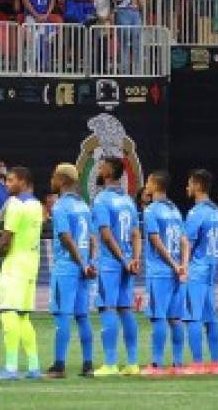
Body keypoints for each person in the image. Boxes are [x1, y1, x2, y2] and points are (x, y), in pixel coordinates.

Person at [0, 166, 44, 380]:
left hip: (14, 264)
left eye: (11, 180)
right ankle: (33, 366)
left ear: (23, 181)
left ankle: (11, 368)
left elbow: (7, 237)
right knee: (23, 317)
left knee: (8, 313)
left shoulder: (15, 203)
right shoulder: (37, 204)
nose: (7, 184)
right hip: (32, 265)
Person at [91, 157, 141, 376]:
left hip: (112, 263)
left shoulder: (102, 199)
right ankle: (132, 363)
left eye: (101, 166)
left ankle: (110, 363)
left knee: (107, 308)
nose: (99, 169)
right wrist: (135, 259)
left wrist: (122, 259)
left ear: (109, 171)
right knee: (125, 309)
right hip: (128, 262)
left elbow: (105, 234)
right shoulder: (129, 201)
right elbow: (136, 233)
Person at [46, 163, 95, 379]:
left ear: (63, 180)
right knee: (82, 316)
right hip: (83, 268)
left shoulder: (60, 206)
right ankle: (88, 364)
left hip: (67, 267)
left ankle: (59, 365)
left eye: (54, 176)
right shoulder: (84, 206)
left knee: (63, 316)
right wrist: (88, 262)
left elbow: (66, 237)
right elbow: (92, 238)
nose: (51, 180)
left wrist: (80, 262)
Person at [141, 171, 189, 375]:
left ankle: (156, 363)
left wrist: (172, 264)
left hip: (160, 271)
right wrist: (182, 265)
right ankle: (178, 362)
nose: (146, 186)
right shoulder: (175, 210)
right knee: (175, 318)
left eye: (148, 182)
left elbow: (155, 240)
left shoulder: (151, 210)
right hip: (176, 272)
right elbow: (185, 241)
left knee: (158, 317)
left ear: (153, 184)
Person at [183, 169, 218, 373]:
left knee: (193, 316)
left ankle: (197, 363)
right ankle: (215, 362)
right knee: (211, 317)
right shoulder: (215, 211)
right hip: (211, 268)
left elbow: (188, 243)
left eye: (190, 184)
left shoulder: (196, 212)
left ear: (198, 186)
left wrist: (182, 267)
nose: (187, 188)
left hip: (197, 269)